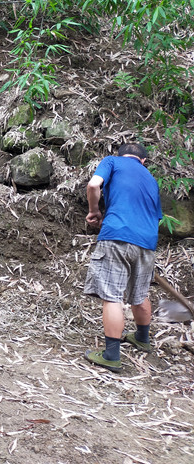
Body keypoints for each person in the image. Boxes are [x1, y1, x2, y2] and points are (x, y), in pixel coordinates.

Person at [83, 143, 162, 372]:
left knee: (112, 296)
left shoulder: (112, 162)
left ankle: (111, 355)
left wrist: (94, 211)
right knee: (140, 294)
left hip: (116, 236)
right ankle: (142, 338)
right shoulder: (151, 179)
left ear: (121, 155)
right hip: (147, 242)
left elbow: (93, 184)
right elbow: (156, 217)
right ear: (143, 161)